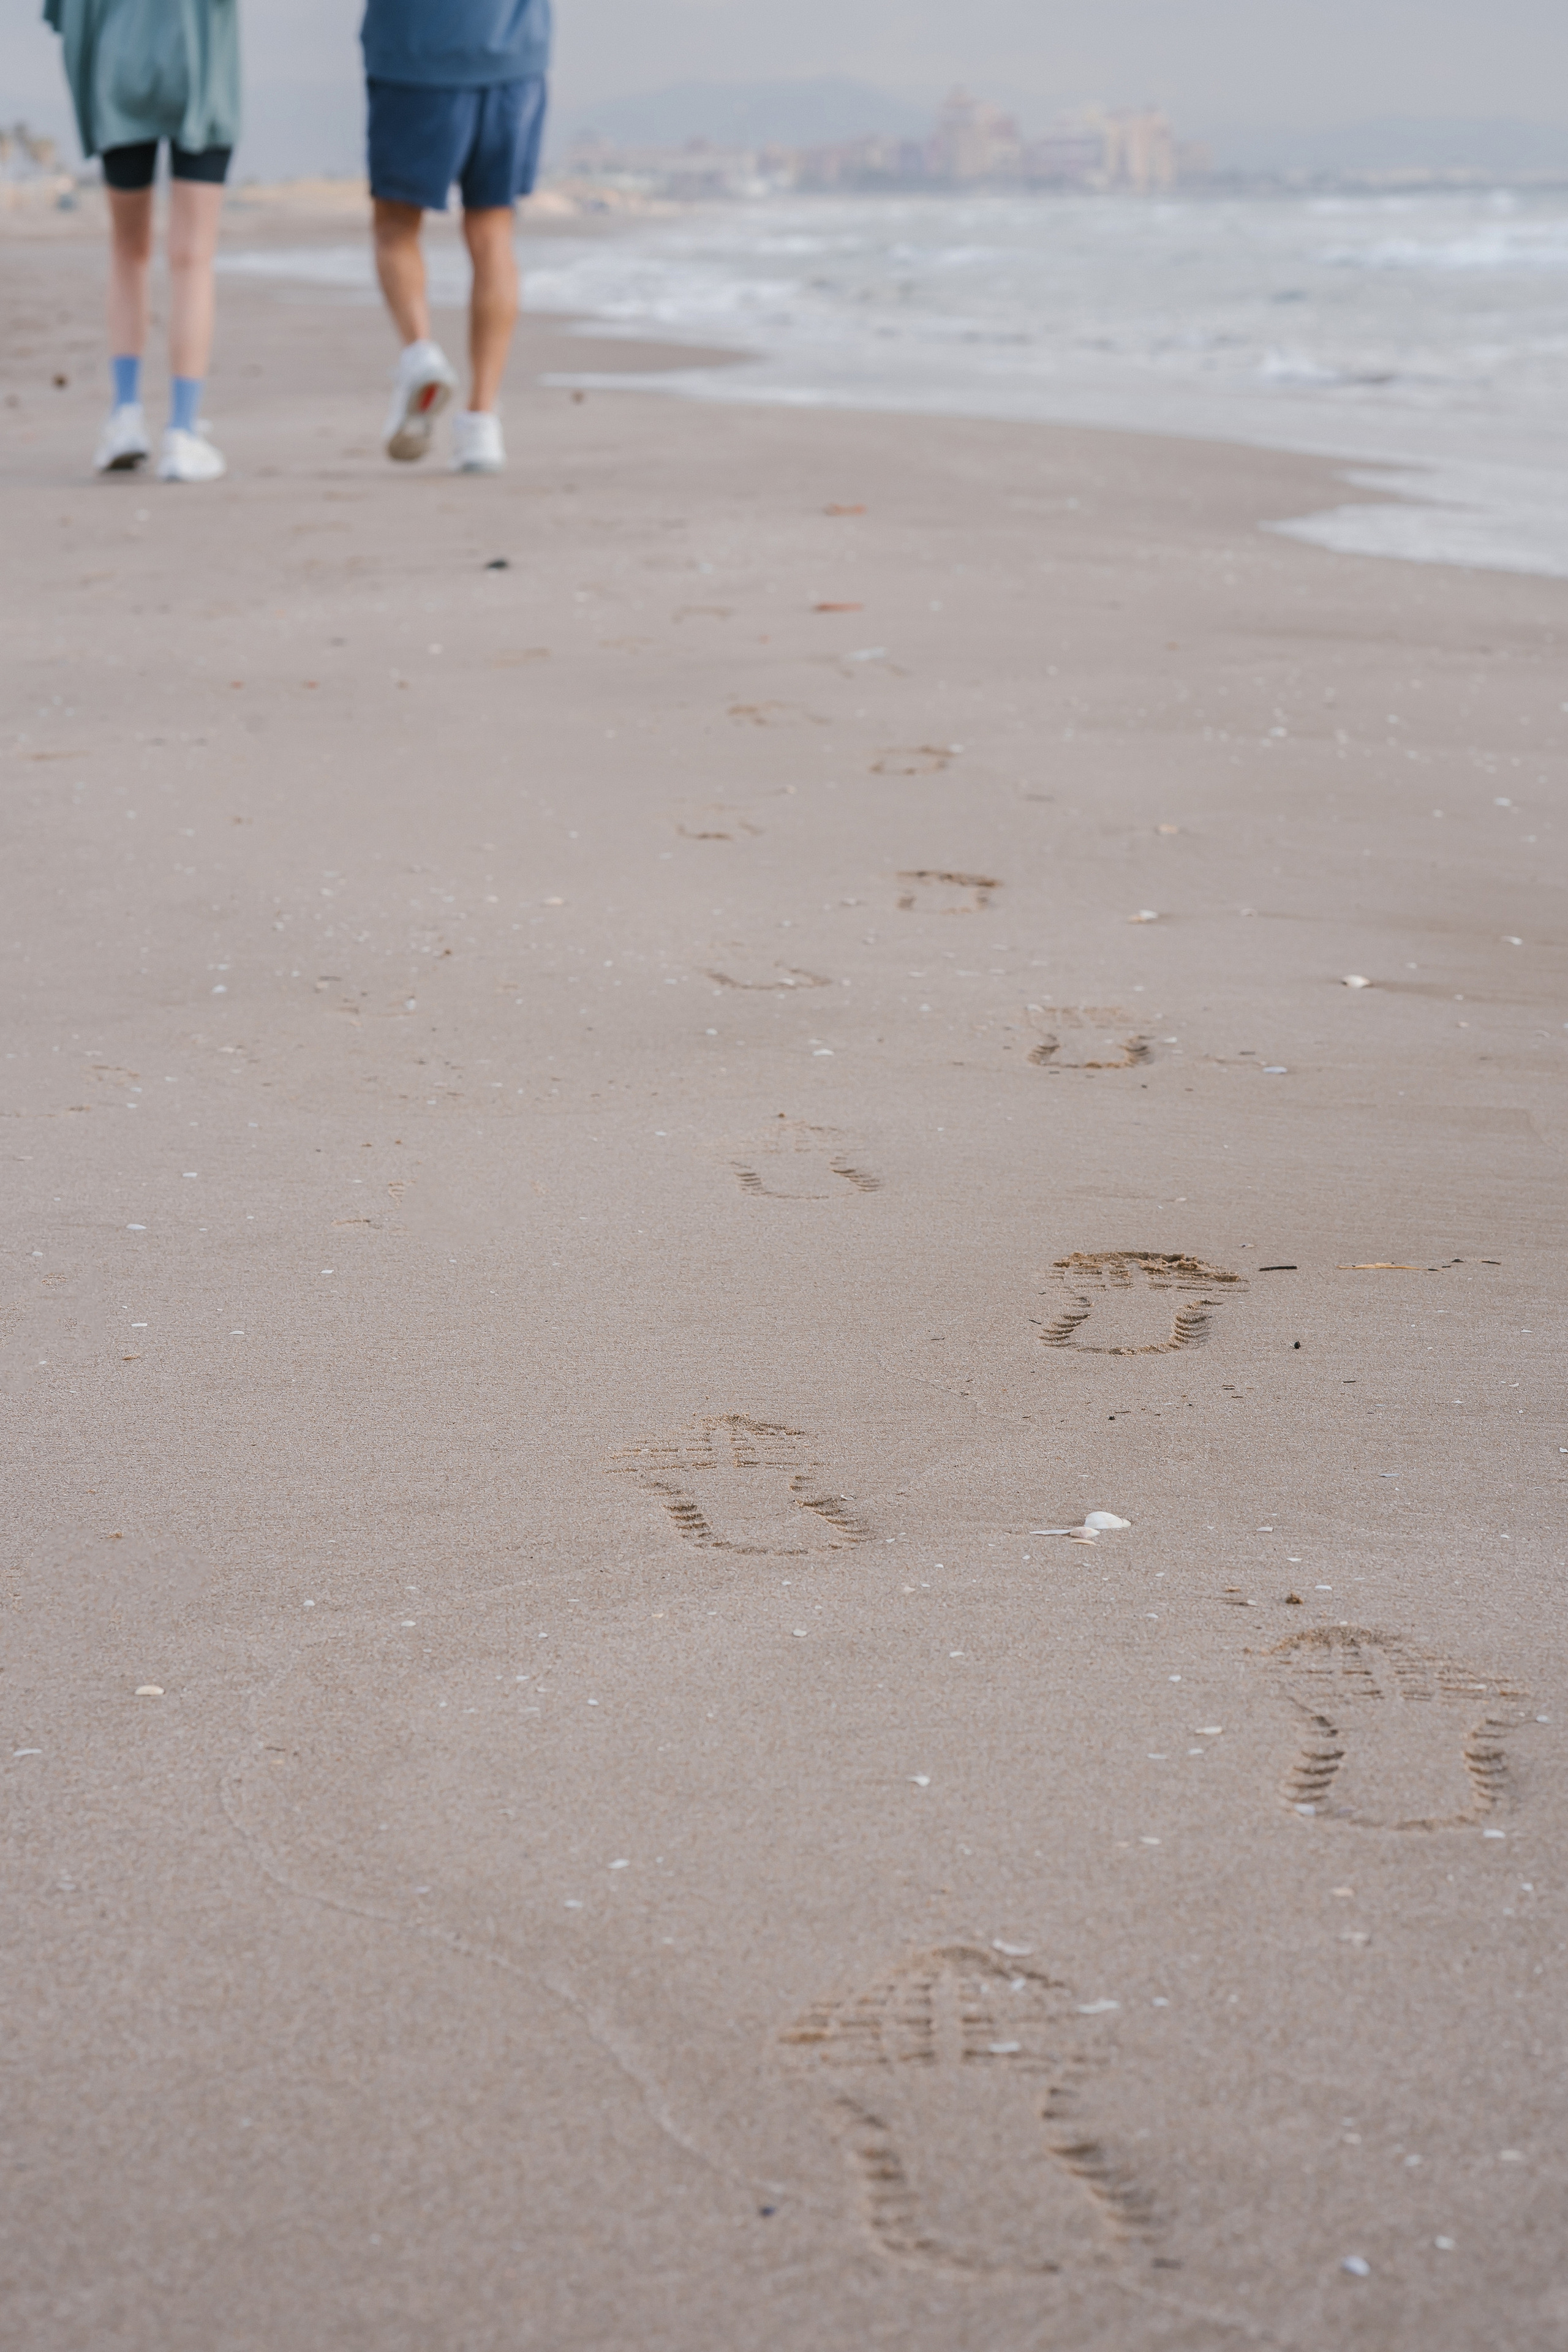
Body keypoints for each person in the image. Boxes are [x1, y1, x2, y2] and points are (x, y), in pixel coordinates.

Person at [45, 0, 240, 483]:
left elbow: (65, 14)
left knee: (128, 250)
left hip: (119, 74)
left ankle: (127, 415)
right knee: (192, 257)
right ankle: (182, 432)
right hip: (202, 76)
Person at [360, 0, 552, 475]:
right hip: (514, 57)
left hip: (416, 54)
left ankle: (420, 354)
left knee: (396, 225)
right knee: (493, 232)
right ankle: (481, 423)